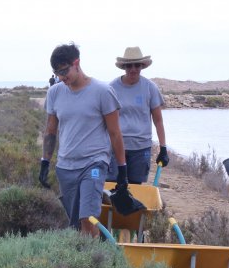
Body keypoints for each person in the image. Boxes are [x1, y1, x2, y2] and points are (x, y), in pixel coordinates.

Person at [40, 43, 130, 236]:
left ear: (77, 63)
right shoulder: (55, 93)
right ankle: (90, 257)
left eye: (64, 71)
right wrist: (45, 162)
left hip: (94, 164)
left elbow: (115, 133)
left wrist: (122, 170)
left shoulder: (102, 92)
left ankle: (95, 263)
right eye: (57, 73)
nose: (62, 77)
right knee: (75, 225)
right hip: (66, 166)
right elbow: (50, 131)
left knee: (87, 219)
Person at [108, 46, 169, 184]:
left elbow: (158, 121)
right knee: (113, 186)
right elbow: (105, 120)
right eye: (129, 65)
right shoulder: (112, 88)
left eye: (137, 65)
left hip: (141, 148)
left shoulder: (150, 87)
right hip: (116, 146)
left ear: (142, 66)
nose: (133, 69)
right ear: (124, 67)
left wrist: (163, 148)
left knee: (136, 187)